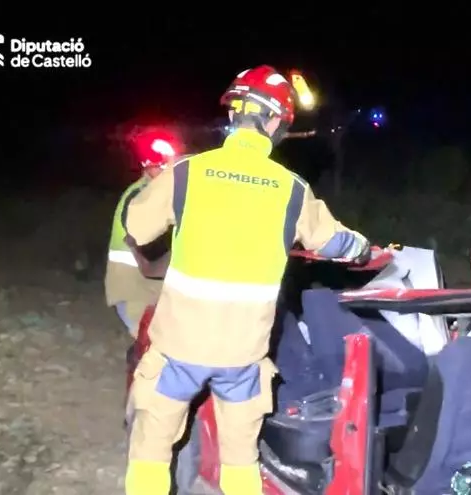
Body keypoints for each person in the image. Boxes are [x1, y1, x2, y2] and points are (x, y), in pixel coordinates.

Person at [122, 65, 370, 495]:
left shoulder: (187, 172)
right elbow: (336, 243)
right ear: (275, 122)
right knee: (242, 461)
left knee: (151, 450)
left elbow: (137, 227)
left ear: (234, 115)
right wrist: (363, 248)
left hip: (179, 348)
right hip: (242, 357)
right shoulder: (291, 189)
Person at [104, 128, 181, 337]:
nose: (168, 172)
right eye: (164, 166)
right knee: (153, 353)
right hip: (134, 290)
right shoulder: (143, 198)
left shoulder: (151, 192)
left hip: (151, 289)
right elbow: (153, 261)